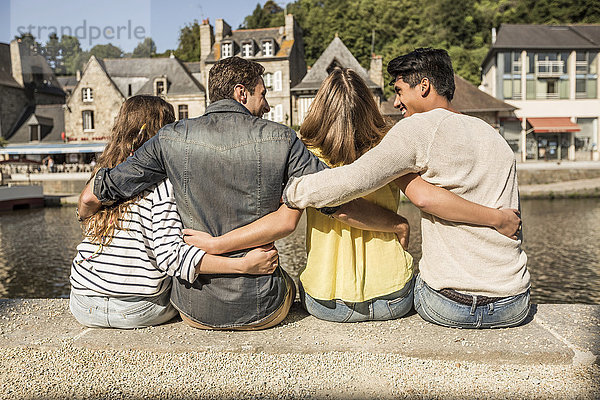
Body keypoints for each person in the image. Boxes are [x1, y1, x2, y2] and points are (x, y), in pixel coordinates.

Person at [77, 57, 412, 330]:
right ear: (241, 93)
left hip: (194, 311)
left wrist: (85, 212)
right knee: (290, 285)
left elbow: (103, 188)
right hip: (261, 307)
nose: (266, 104)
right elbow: (334, 201)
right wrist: (394, 224)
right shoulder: (282, 139)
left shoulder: (169, 138)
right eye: (262, 94)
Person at [183, 67, 522, 324]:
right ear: (368, 106)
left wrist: (216, 245)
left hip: (325, 301)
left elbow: (285, 221)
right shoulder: (392, 148)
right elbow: (427, 197)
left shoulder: (304, 153)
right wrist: (402, 224)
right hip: (392, 297)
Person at [283, 49, 530, 329]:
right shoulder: (493, 136)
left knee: (424, 281)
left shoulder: (413, 130)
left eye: (400, 91)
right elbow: (423, 195)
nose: (397, 102)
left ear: (423, 86)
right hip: (514, 301)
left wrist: (293, 190)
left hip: (447, 304)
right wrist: (497, 219)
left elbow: (354, 180)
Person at [70, 95, 278, 329]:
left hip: (82, 301)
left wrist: (85, 218)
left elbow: (86, 205)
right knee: (188, 297)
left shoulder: (103, 178)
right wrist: (244, 265)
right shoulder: (163, 184)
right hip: (137, 308)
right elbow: (172, 257)